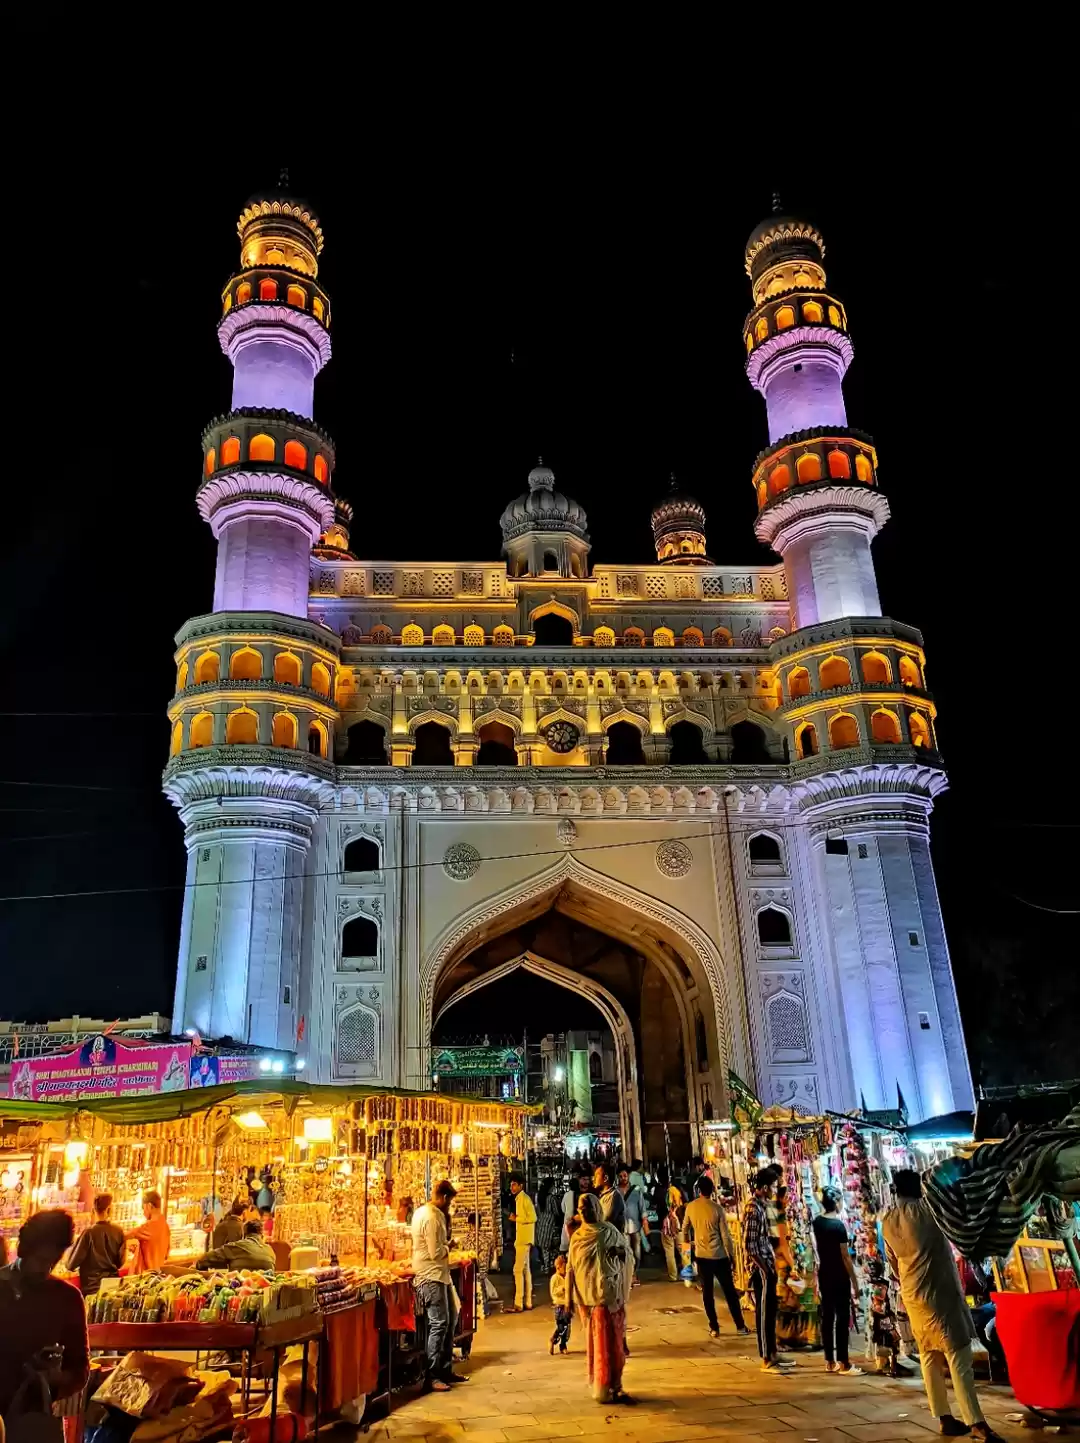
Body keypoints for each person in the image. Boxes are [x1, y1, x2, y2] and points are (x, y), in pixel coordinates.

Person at [883, 1171, 1002, 1442]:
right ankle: (976, 1422)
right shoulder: (929, 1210)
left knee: (929, 1355)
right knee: (959, 1355)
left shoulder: (888, 1220)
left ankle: (944, 1418)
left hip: (914, 1296)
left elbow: (893, 1265)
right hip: (939, 1294)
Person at [0, 1209, 89, 1418]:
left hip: (31, 1417)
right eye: (40, 1260)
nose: (45, 1269)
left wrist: (53, 1377)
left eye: (53, 1261)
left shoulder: (67, 1298)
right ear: (23, 1249)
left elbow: (80, 1370)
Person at [566, 1192, 632, 1404]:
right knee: (599, 1347)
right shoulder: (578, 1238)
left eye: (587, 1208)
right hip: (590, 1301)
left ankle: (616, 1385)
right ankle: (602, 1387)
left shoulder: (609, 1231)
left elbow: (627, 1255)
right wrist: (568, 1300)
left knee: (615, 1347)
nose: (584, 1212)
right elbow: (571, 1269)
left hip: (610, 1297)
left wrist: (619, 1253)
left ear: (596, 1209)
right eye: (580, 1209)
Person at [412, 1180, 468, 1393]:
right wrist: (450, 1246)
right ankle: (433, 1375)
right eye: (450, 1201)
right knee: (439, 1323)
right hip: (431, 1275)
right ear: (444, 1198)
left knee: (450, 1319)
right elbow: (435, 1252)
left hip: (438, 1275)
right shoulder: (433, 1217)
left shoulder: (423, 1212)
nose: (450, 1206)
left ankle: (445, 1370)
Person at [683, 1176, 749, 1337]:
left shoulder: (691, 1207)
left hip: (702, 1256)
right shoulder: (717, 1209)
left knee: (707, 1294)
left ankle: (714, 1327)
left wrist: (689, 1245)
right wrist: (732, 1255)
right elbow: (725, 1236)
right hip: (719, 1256)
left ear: (698, 1190)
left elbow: (684, 1229)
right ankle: (740, 1326)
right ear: (712, 1191)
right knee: (730, 1292)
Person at [812, 1187, 861, 1375]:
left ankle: (829, 1361)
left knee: (827, 1317)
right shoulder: (838, 1226)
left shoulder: (817, 1223)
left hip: (824, 1273)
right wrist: (855, 1282)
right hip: (840, 1275)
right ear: (836, 1202)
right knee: (842, 1318)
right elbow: (845, 1257)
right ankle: (844, 1362)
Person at [744, 1170, 786, 1371]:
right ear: (764, 1187)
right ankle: (766, 1357)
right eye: (774, 1186)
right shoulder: (753, 1209)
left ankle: (772, 1352)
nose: (775, 1190)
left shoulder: (762, 1206)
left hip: (767, 1264)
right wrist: (765, 1269)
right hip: (761, 1268)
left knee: (770, 1311)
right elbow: (750, 1245)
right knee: (764, 1312)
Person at [67, 1192, 125, 1295]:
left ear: (93, 1210)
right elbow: (120, 1263)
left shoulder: (88, 1233)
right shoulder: (118, 1232)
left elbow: (71, 1264)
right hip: (113, 1287)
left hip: (92, 1289)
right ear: (109, 1209)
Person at [196, 1220, 275, 1271]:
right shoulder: (270, 1251)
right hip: (266, 1290)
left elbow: (205, 1259)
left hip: (240, 1289)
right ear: (262, 1235)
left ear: (243, 1234)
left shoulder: (237, 1246)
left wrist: (199, 1265)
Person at [507, 1172, 536, 1312]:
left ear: (521, 1186)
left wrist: (516, 1219)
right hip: (523, 1239)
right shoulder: (520, 1199)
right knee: (525, 1270)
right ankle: (528, 1302)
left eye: (514, 1185)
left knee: (517, 1270)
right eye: (511, 1185)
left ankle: (518, 1303)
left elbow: (533, 1217)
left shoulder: (524, 1199)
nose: (511, 1187)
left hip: (524, 1240)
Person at [616, 1165, 648, 1283]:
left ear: (628, 1176)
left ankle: (635, 1272)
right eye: (620, 1176)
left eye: (625, 1175)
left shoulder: (636, 1190)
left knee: (637, 1251)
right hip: (622, 1227)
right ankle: (630, 1275)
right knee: (627, 1252)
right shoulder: (615, 1192)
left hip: (635, 1226)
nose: (623, 1178)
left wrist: (645, 1221)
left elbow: (642, 1206)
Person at [126, 1190, 170, 1273]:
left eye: (143, 1208)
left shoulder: (148, 1226)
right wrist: (138, 1249)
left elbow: (124, 1236)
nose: (143, 1213)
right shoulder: (165, 1226)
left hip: (145, 1276)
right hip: (157, 1274)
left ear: (149, 1206)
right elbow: (165, 1255)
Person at [536, 1179, 564, 1273]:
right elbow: (557, 1212)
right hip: (551, 1225)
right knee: (553, 1247)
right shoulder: (552, 1198)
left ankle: (546, 1267)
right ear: (550, 1187)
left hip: (541, 1224)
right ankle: (552, 1266)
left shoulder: (539, 1197)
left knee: (544, 1248)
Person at [661, 1184, 686, 1283]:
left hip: (667, 1229)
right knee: (685, 1251)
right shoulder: (682, 1205)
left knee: (669, 1252)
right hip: (680, 1228)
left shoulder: (665, 1200)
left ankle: (672, 1276)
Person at [549, 1251, 572, 1355]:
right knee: (561, 1326)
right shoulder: (555, 1278)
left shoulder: (566, 1277)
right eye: (564, 1268)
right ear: (558, 1267)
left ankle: (563, 1345)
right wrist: (562, 1289)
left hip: (567, 1304)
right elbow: (553, 1292)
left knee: (567, 1327)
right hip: (559, 1305)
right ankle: (553, 1339)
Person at [592, 1162, 625, 1233]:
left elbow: (604, 1221)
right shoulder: (604, 1196)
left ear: (605, 1178)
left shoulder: (614, 1196)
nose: (593, 1179)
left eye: (597, 1175)